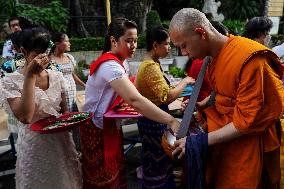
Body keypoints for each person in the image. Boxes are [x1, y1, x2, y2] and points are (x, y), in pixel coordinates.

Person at [170, 8, 284, 189]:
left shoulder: (250, 58)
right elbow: (225, 94)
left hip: (247, 146)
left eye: (183, 46)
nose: (183, 53)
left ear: (201, 33)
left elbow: (247, 120)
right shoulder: (214, 57)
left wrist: (197, 142)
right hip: (224, 143)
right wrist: (203, 106)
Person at [81, 18, 180, 189]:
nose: (133, 45)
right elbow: (135, 99)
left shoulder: (121, 62)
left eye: (135, 40)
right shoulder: (110, 66)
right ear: (113, 40)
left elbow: (133, 94)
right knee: (103, 176)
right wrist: (170, 120)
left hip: (110, 124)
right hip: (97, 128)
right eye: (128, 41)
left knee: (115, 171)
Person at [0, 27, 82, 189]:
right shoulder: (10, 82)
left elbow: (64, 112)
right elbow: (25, 117)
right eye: (37, 53)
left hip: (60, 143)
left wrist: (70, 120)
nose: (43, 58)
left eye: (46, 52)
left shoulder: (57, 77)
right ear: (23, 51)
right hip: (34, 147)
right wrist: (30, 76)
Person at [135, 26, 195, 189]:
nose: (169, 48)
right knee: (157, 162)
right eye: (167, 44)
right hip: (154, 120)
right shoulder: (150, 67)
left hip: (152, 118)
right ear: (156, 45)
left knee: (157, 161)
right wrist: (185, 82)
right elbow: (166, 96)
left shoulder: (151, 63)